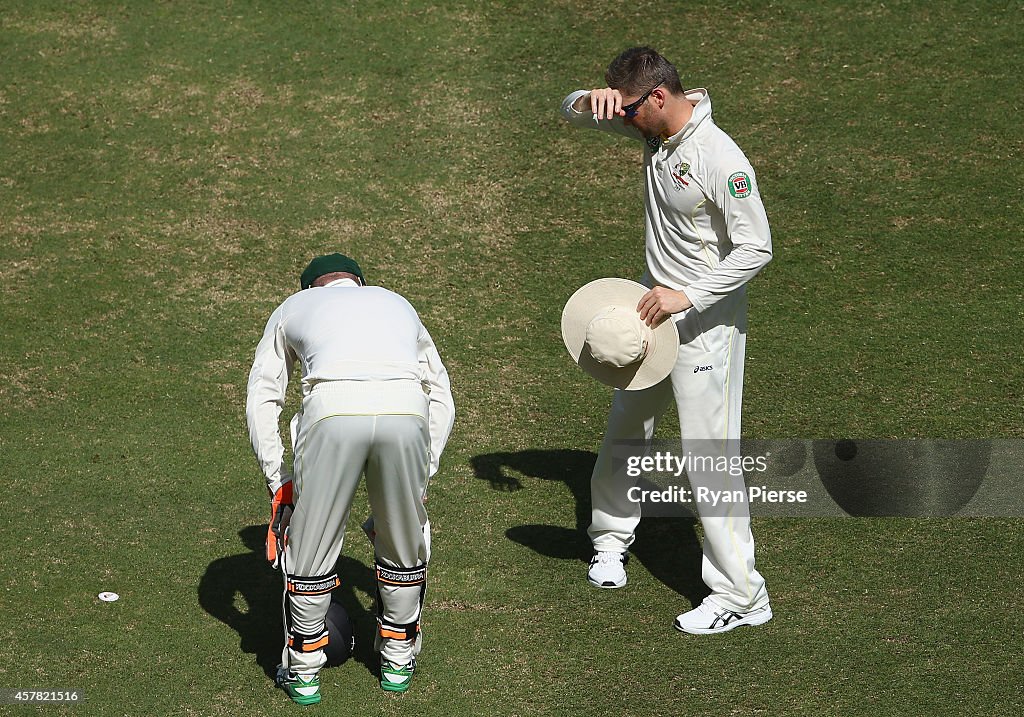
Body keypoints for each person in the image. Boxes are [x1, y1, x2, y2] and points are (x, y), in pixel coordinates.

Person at [560, 47, 773, 634]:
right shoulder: (657, 132)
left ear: (658, 98)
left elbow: (757, 247)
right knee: (627, 426)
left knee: (710, 457)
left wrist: (690, 294)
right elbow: (572, 114)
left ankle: (743, 597)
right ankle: (609, 538)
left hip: (705, 329)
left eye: (627, 112)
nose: (622, 124)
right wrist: (588, 102)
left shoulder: (719, 157)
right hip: (648, 321)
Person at [245, 253, 455, 703]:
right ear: (360, 283)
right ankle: (398, 661)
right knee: (403, 538)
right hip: (405, 410)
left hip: (332, 412)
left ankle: (303, 673)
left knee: (312, 546)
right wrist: (424, 470)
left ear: (310, 289)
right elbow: (440, 391)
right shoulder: (397, 302)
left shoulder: (291, 307)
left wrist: (277, 477)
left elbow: (263, 395)